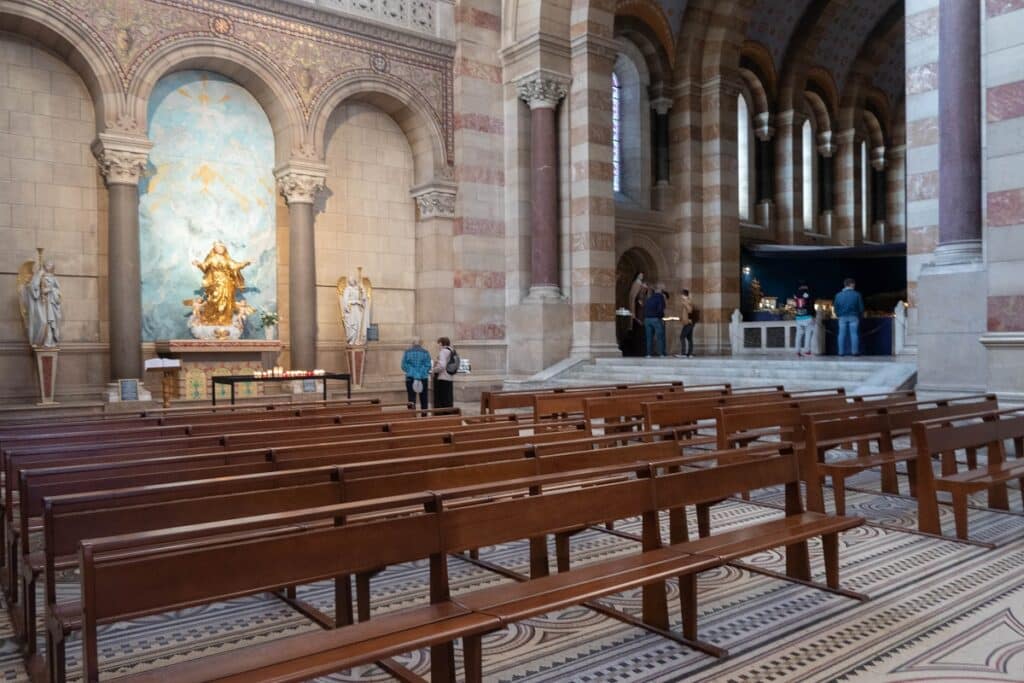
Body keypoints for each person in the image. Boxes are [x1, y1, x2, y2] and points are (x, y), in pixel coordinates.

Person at [191, 241, 250, 326]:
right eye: (218, 248)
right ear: (215, 249)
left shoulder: (227, 259)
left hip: (227, 284)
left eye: (221, 247)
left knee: (226, 301)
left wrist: (246, 262)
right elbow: (205, 267)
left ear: (224, 248)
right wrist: (198, 264)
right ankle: (212, 318)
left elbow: (235, 266)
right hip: (215, 284)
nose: (220, 249)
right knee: (214, 300)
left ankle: (224, 319)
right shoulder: (212, 258)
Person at [24, 261, 62, 347]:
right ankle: (39, 341)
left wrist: (51, 290)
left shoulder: (54, 278)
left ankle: (49, 342)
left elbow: (58, 291)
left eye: (51, 265)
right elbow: (33, 288)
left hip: (51, 303)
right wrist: (39, 278)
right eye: (48, 264)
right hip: (42, 304)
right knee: (43, 321)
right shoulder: (39, 276)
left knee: (51, 323)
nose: (49, 266)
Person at [834, 278, 865, 356]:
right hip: (854, 316)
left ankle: (840, 352)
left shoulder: (838, 295)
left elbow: (835, 307)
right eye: (854, 284)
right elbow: (861, 307)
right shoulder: (857, 294)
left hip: (842, 317)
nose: (854, 285)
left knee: (841, 334)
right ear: (851, 284)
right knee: (854, 334)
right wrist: (860, 315)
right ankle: (854, 352)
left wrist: (838, 315)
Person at [400, 337, 431, 409]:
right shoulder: (425, 352)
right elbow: (428, 365)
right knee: (424, 398)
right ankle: (424, 416)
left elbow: (404, 365)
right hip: (423, 377)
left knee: (411, 398)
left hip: (410, 377)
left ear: (412, 343)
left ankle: (412, 416)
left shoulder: (407, 352)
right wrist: (419, 374)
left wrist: (414, 373)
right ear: (421, 343)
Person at [643, 283, 667, 357]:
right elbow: (661, 308)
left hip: (647, 319)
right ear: (661, 290)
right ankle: (661, 353)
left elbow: (645, 307)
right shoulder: (660, 297)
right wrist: (660, 317)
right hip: (656, 319)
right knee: (660, 336)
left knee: (649, 337)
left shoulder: (650, 297)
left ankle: (648, 354)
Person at [431, 336, 455, 408]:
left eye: (438, 344)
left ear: (441, 343)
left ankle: (441, 416)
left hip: (442, 378)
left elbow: (442, 366)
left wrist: (434, 370)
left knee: (442, 400)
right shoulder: (451, 351)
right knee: (448, 399)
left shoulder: (443, 351)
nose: (438, 346)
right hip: (450, 377)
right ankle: (449, 415)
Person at [793, 282, 815, 357]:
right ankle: (807, 351)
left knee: (798, 334)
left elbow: (796, 305)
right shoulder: (808, 293)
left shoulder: (795, 294)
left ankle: (797, 351)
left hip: (799, 317)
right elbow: (811, 304)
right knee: (808, 334)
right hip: (808, 316)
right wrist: (813, 314)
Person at [674, 288, 694, 358]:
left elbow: (690, 310)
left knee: (682, 337)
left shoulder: (687, 301)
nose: (681, 297)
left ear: (684, 295)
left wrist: (685, 303)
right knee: (689, 338)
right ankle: (690, 353)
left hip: (688, 323)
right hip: (687, 322)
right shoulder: (686, 302)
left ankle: (683, 353)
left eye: (682, 295)